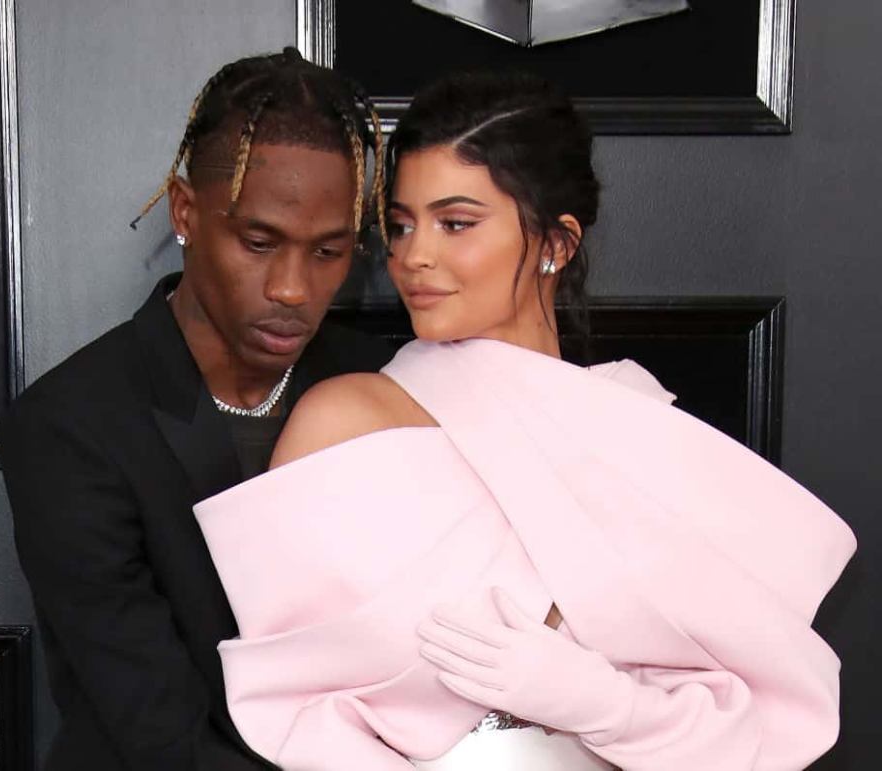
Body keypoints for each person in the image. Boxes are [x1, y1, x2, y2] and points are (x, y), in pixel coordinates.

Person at [192, 70, 856, 770]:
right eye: (401, 225)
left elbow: (753, 732)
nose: (414, 255)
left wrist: (601, 702)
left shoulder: (643, 437)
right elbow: (291, 709)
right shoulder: (345, 423)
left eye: (456, 223)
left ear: (556, 243)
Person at [0, 47, 394, 771]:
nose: (293, 289)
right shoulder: (69, 425)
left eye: (329, 251)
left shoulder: (382, 386)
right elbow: (156, 726)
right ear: (185, 212)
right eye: (258, 241)